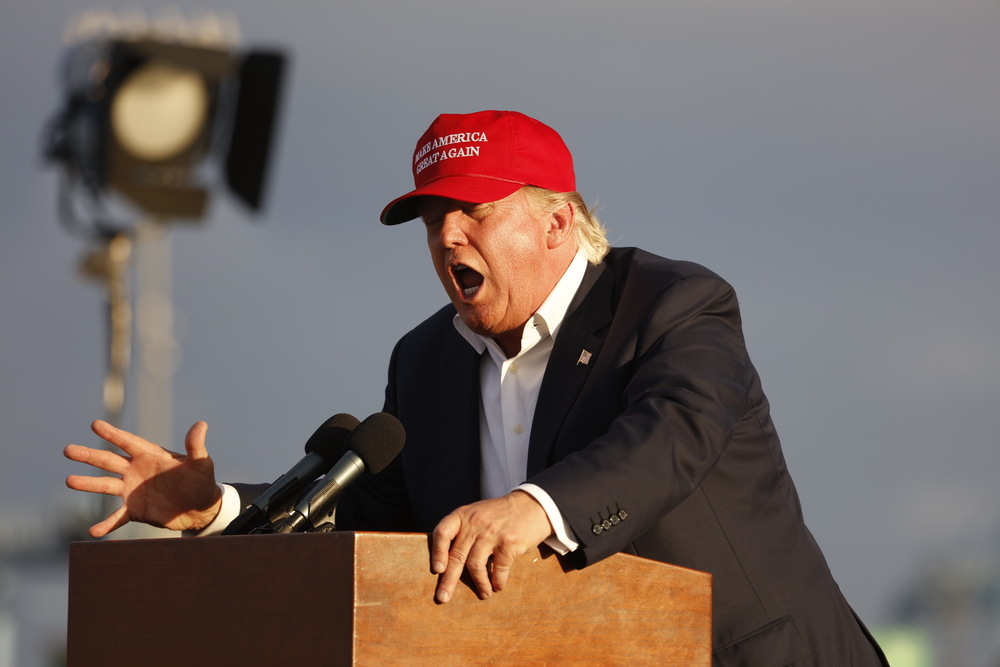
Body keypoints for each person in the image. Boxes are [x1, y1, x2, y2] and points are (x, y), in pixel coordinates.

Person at [65, 110, 888, 666]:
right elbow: (378, 505)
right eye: (431, 220)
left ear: (557, 222)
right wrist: (219, 509)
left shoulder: (673, 303)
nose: (446, 235)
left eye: (471, 211)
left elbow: (674, 435)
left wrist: (536, 507)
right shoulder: (426, 360)